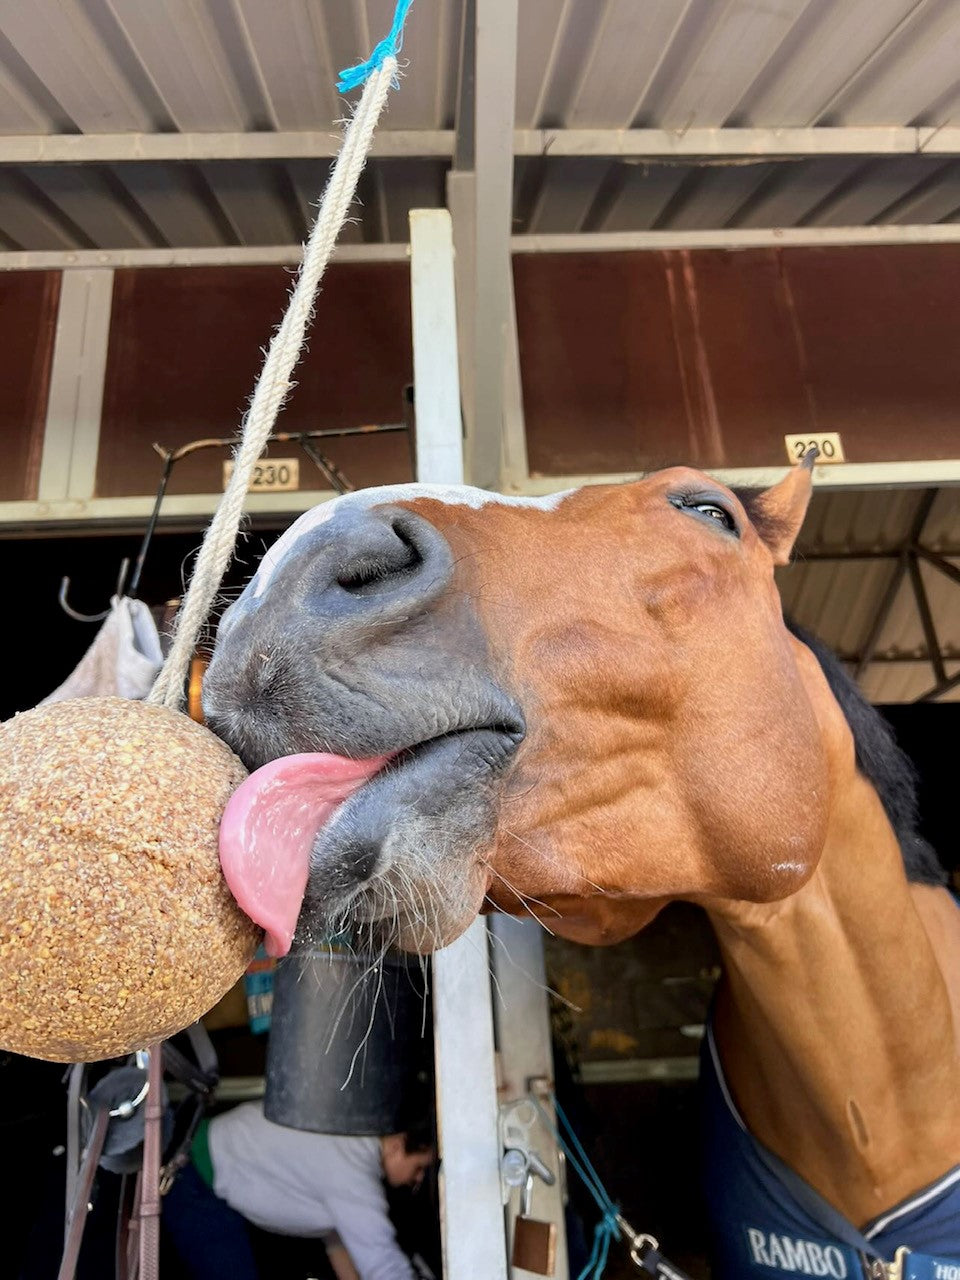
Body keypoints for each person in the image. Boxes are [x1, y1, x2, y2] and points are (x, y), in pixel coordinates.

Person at [162, 1098, 436, 1280]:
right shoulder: (354, 1174)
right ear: (399, 1144)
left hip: (204, 1168)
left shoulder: (350, 1143)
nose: (418, 1179)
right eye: (419, 1167)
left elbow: (337, 1242)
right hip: (195, 1178)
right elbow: (384, 1266)